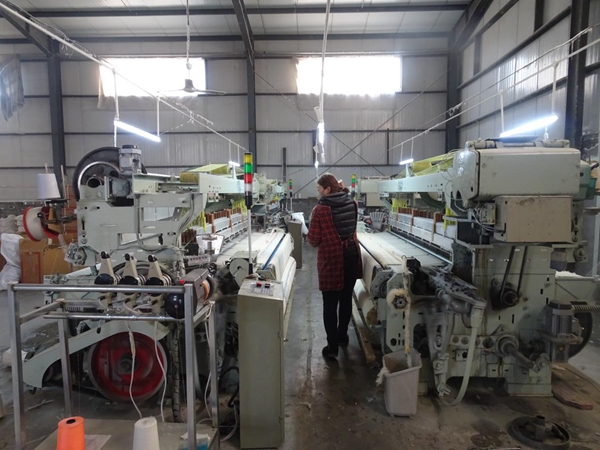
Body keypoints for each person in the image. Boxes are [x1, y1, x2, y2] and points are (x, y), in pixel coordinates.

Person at [307, 173, 362, 359]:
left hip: (332, 260)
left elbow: (313, 240)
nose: (318, 193)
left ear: (327, 189)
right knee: (346, 299)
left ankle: (332, 348)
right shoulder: (352, 203)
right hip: (351, 257)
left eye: (319, 189)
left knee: (330, 304)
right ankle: (342, 337)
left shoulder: (320, 210)